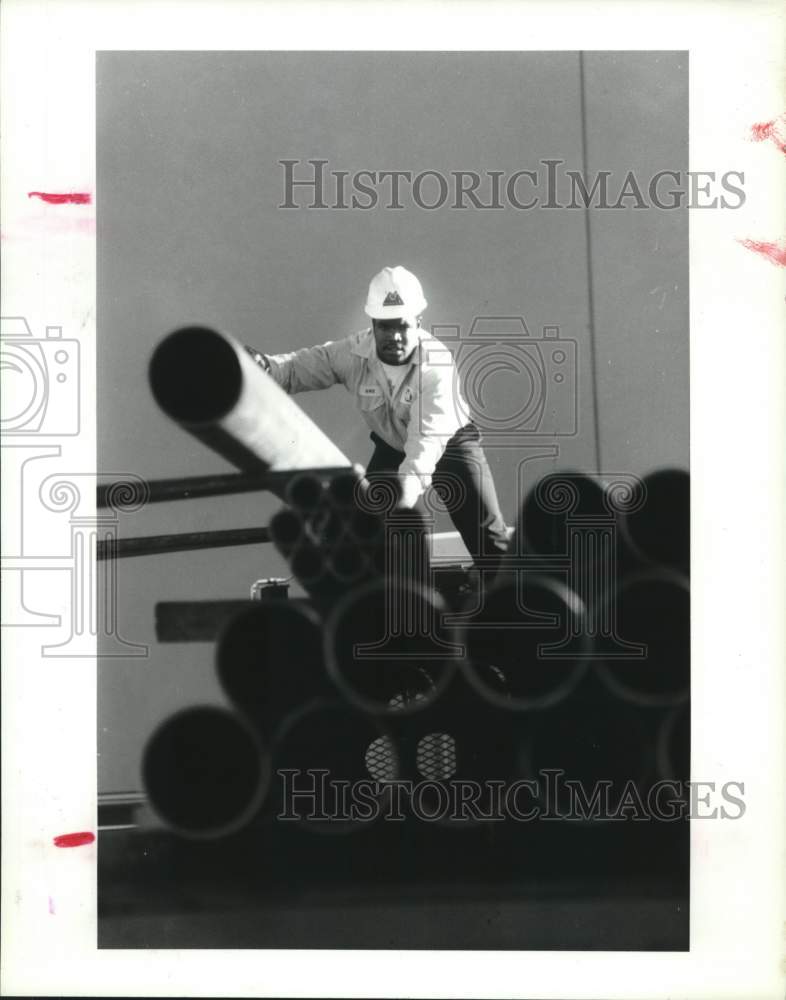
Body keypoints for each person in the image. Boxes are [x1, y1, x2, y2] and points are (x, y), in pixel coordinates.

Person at [245, 266, 510, 577]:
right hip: (392, 446)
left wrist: (399, 502)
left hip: (449, 446)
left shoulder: (436, 368)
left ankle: (507, 595)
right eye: (385, 327)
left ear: (418, 322)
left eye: (402, 326)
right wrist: (265, 368)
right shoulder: (353, 353)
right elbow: (299, 367)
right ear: (372, 325)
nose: (394, 336)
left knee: (487, 538)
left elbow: (423, 449)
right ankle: (385, 597)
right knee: (364, 530)